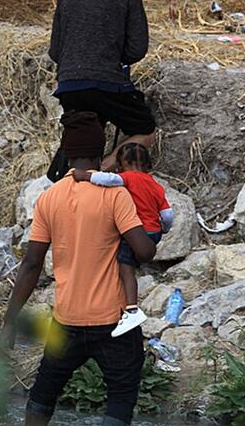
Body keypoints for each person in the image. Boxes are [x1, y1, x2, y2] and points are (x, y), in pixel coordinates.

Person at [0, 111, 157, 426]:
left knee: (43, 394)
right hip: (113, 321)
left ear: (67, 153)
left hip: (67, 319)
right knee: (121, 394)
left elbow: (32, 263)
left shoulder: (49, 198)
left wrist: (9, 321)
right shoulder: (114, 194)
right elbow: (144, 250)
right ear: (101, 151)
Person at [47, 0, 154, 180]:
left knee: (85, 134)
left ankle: (68, 182)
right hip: (108, 84)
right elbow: (137, 48)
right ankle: (106, 168)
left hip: (69, 85)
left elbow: (55, 52)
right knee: (144, 129)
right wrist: (113, 60)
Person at [74, 142, 174, 336]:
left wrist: (85, 175)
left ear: (122, 164)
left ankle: (131, 309)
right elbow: (168, 214)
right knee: (131, 263)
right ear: (147, 165)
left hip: (137, 231)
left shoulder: (127, 178)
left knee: (125, 269)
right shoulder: (155, 185)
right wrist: (164, 230)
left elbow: (108, 179)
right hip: (154, 233)